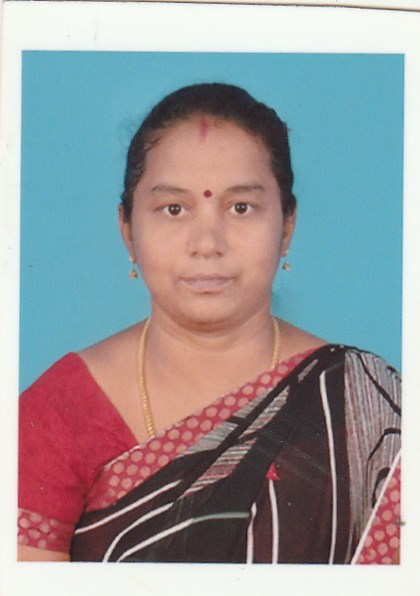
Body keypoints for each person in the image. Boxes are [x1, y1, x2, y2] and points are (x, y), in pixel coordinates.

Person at [18, 83, 401, 563]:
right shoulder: (59, 412)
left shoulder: (368, 402)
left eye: (241, 207)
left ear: (287, 226)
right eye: (173, 209)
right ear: (127, 230)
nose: (207, 243)